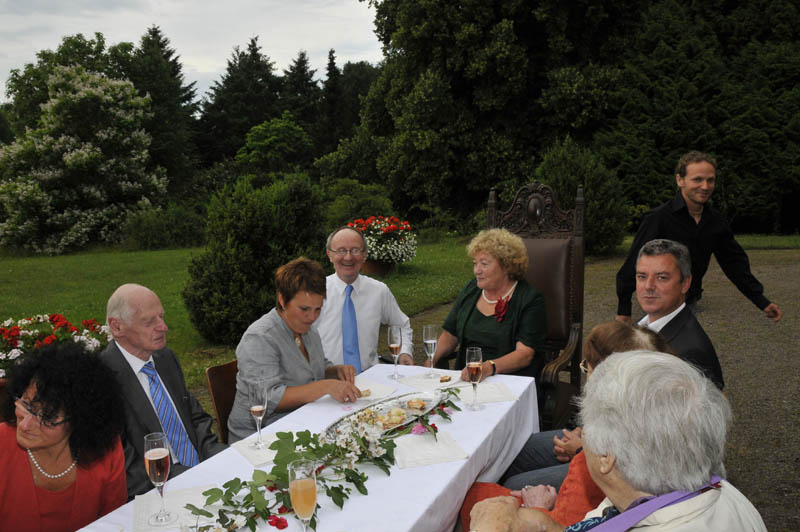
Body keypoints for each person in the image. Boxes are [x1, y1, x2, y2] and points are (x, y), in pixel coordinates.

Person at [470, 351, 767, 531]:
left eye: (586, 428)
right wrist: (548, 525)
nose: (582, 435)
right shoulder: (720, 492)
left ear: (607, 457)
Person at [461, 322, 672, 531]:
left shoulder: (601, 455)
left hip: (555, 510)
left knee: (472, 494)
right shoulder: (656, 414)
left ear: (606, 374)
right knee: (515, 453)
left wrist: (538, 508)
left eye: (587, 368)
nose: (587, 376)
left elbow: (567, 523)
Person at [616, 150, 783, 324]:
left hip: (688, 304)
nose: (705, 186)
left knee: (686, 342)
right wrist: (623, 310)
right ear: (680, 180)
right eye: (697, 179)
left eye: (710, 180)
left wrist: (761, 300)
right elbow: (633, 262)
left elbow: (734, 264)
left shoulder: (715, 222)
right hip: (657, 304)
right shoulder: (658, 219)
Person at [101, 283, 227, 498]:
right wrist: (195, 479)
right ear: (117, 327)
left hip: (200, 471)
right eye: (149, 321)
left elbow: (196, 418)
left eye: (161, 317)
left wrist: (219, 458)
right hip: (158, 490)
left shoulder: (165, 358)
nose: (163, 327)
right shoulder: (103, 380)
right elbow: (127, 468)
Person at [228, 257, 362, 442]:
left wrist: (335, 371)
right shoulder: (260, 338)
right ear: (282, 299)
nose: (312, 317)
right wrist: (326, 386)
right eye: (304, 309)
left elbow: (314, 369)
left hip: (303, 422)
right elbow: (269, 399)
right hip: (259, 437)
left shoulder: (307, 329)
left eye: (318, 309)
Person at [1, 343, 127, 531]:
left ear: (79, 420)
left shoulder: (103, 449)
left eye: (47, 417)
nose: (25, 424)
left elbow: (115, 523)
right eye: (26, 405)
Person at [428, 228, 547, 379]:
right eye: (475, 263)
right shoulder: (472, 289)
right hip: (466, 377)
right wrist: (430, 361)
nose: (476, 271)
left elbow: (524, 355)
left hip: (511, 379)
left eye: (484, 264)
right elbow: (449, 335)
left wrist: (487, 368)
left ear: (506, 266)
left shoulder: (530, 299)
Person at [314, 226, 413, 372]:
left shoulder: (379, 291)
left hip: (370, 377)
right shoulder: (316, 292)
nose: (348, 257)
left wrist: (404, 351)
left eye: (355, 250)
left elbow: (401, 324)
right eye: (341, 250)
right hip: (328, 378)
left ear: (365, 254)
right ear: (330, 255)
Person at [633, 238, 724, 389]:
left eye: (662, 277)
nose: (648, 286)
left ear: (685, 284)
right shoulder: (641, 326)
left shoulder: (689, 352)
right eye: (642, 276)